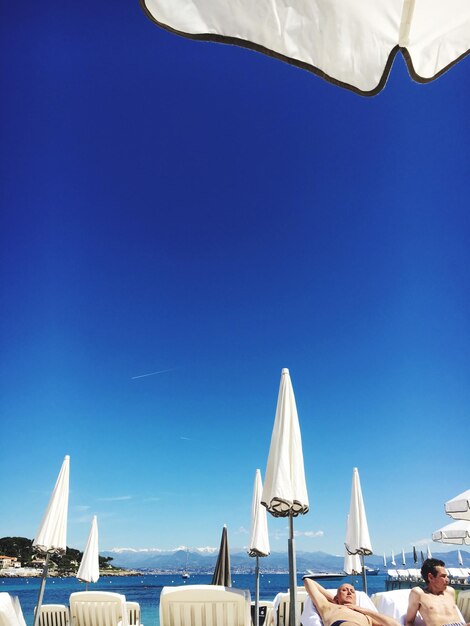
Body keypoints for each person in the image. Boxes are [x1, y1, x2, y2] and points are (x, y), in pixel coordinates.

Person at [304, 578, 401, 626]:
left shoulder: (367, 616)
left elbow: (395, 625)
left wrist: (364, 610)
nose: (349, 592)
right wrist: (334, 599)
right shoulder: (329, 607)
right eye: (344, 590)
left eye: (352, 591)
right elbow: (308, 581)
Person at [405, 558, 468, 626]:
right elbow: (409, 622)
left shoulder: (450, 591)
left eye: (447, 576)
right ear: (431, 577)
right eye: (443, 576)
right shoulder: (419, 593)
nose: (447, 580)